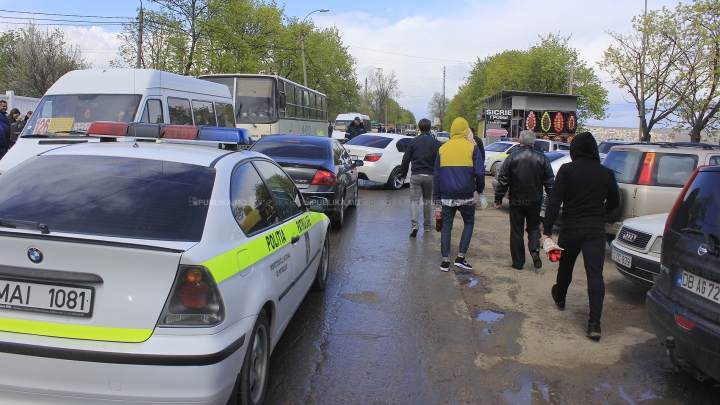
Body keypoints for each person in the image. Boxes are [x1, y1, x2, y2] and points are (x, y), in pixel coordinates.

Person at [542, 132, 620, 341]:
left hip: (571, 227)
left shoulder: (567, 170)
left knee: (565, 266)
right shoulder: (606, 173)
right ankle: (594, 323)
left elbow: (554, 200)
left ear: (574, 150)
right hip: (595, 229)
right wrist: (601, 214)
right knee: (595, 274)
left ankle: (560, 298)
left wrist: (547, 230)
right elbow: (615, 204)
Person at [493, 130, 555, 270]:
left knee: (516, 231)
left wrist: (498, 198)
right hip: (535, 200)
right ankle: (534, 250)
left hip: (516, 200)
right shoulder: (542, 158)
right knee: (534, 227)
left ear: (520, 141)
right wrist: (553, 200)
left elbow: (503, 180)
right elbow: (550, 182)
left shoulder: (512, 157)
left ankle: (518, 262)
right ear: (534, 142)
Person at [433, 117, 485, 272]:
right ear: (466, 130)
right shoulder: (472, 148)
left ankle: (445, 260)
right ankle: (461, 257)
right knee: (468, 223)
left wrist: (436, 197)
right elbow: (480, 172)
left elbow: (437, 175)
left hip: (447, 195)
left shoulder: (442, 149)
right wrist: (480, 189)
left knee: (447, 226)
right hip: (466, 194)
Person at [400, 118, 442, 236]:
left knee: (414, 201)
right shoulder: (436, 143)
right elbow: (440, 162)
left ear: (419, 128)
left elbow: (406, 159)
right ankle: (427, 226)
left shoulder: (413, 142)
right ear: (430, 129)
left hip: (416, 176)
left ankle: (415, 225)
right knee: (427, 201)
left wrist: (403, 175)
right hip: (430, 176)